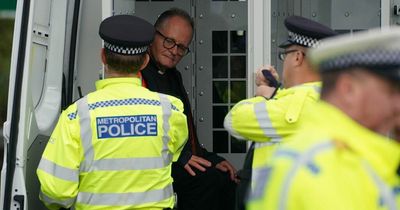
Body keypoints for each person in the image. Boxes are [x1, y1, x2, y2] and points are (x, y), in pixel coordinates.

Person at [36, 15, 188, 210]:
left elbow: (56, 191)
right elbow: (173, 153)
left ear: (103, 56)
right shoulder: (171, 110)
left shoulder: (76, 116)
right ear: (144, 62)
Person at [247, 28, 400, 210]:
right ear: (348, 89)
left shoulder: (358, 156)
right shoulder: (324, 165)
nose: (397, 103)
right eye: (391, 92)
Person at [223, 15, 337, 209]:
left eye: (286, 55)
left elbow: (234, 120)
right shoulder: (325, 97)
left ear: (298, 57)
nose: (284, 61)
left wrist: (263, 96)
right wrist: (276, 91)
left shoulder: (300, 103)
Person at [140, 8, 237, 210]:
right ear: (153, 35)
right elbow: (145, 132)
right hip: (153, 167)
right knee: (207, 182)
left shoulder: (173, 76)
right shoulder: (138, 75)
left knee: (226, 177)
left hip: (179, 161)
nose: (174, 51)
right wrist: (182, 158)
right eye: (169, 41)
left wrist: (210, 159)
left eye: (182, 47)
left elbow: (184, 135)